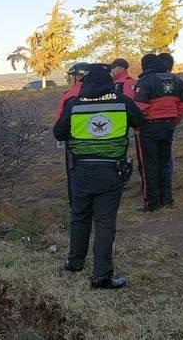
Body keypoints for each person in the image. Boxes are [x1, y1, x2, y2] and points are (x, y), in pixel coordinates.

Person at [54, 65, 144, 289]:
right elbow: (140, 121)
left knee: (79, 217)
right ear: (109, 83)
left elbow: (58, 132)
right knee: (104, 223)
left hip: (81, 172)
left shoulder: (73, 104)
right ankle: (101, 276)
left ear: (84, 84)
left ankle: (75, 263)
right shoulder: (122, 102)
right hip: (111, 172)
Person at [134, 53, 183, 212]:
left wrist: (137, 126)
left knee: (149, 164)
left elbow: (140, 108)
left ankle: (153, 203)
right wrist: (173, 123)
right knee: (165, 163)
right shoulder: (177, 80)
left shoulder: (145, 81)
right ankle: (167, 199)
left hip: (150, 127)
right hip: (168, 126)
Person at [56, 63, 90, 207]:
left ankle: (76, 204)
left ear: (76, 77)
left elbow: (60, 123)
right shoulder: (108, 94)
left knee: (74, 174)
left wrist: (61, 138)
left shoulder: (69, 96)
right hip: (104, 142)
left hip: (75, 143)